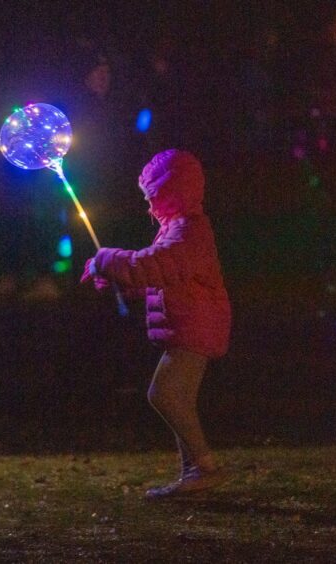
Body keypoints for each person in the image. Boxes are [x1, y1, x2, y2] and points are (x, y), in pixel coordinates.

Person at [80, 149, 232, 499]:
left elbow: (155, 264)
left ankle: (204, 467)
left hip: (196, 327)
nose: (150, 204)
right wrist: (122, 281)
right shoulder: (177, 229)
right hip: (188, 325)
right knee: (176, 398)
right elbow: (160, 276)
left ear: (172, 192)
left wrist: (108, 260)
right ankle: (194, 473)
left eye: (155, 195)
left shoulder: (189, 231)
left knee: (164, 394)